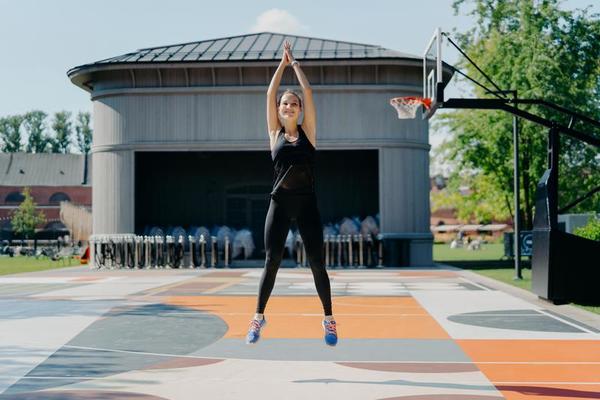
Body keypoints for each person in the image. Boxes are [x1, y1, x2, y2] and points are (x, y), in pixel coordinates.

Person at [246, 41, 337, 346]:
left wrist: (294, 63)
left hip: (307, 204)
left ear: (298, 111)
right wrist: (281, 65)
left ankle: (328, 319)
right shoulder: (274, 134)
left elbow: (308, 93)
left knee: (316, 263)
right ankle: (258, 318)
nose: (287, 106)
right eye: (285, 104)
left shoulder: (308, 132)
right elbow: (268, 94)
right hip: (280, 204)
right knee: (271, 261)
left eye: (292, 104)